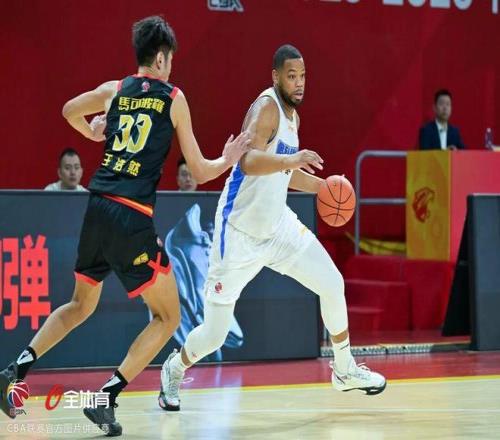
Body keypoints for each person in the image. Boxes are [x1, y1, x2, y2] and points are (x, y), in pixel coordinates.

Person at [0, 15, 250, 436]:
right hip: (131, 216)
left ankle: (14, 371)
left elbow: (68, 111)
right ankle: (107, 399)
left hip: (97, 206)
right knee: (168, 316)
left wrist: (93, 133)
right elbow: (200, 170)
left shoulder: (115, 90)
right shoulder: (173, 97)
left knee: (80, 305)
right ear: (162, 58)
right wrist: (230, 157)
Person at [158, 44, 386, 412]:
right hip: (238, 233)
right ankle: (174, 368)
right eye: (291, 76)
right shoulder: (265, 108)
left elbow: (284, 172)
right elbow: (248, 161)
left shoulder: (293, 118)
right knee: (215, 334)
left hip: (278, 227)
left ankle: (344, 369)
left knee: (332, 283)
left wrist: (325, 188)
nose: (299, 83)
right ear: (276, 76)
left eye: (303, 76)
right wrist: (291, 158)